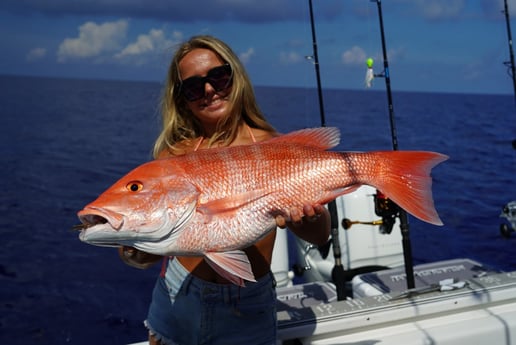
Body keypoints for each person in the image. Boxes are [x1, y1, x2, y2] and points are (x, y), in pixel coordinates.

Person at [118, 35, 331, 345]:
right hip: (178, 296)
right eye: (192, 86)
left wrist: (307, 219)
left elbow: (320, 235)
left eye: (218, 76)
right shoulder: (173, 155)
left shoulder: (277, 148)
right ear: (182, 99)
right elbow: (158, 245)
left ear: (237, 77)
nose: (208, 89)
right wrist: (136, 251)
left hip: (246, 305)